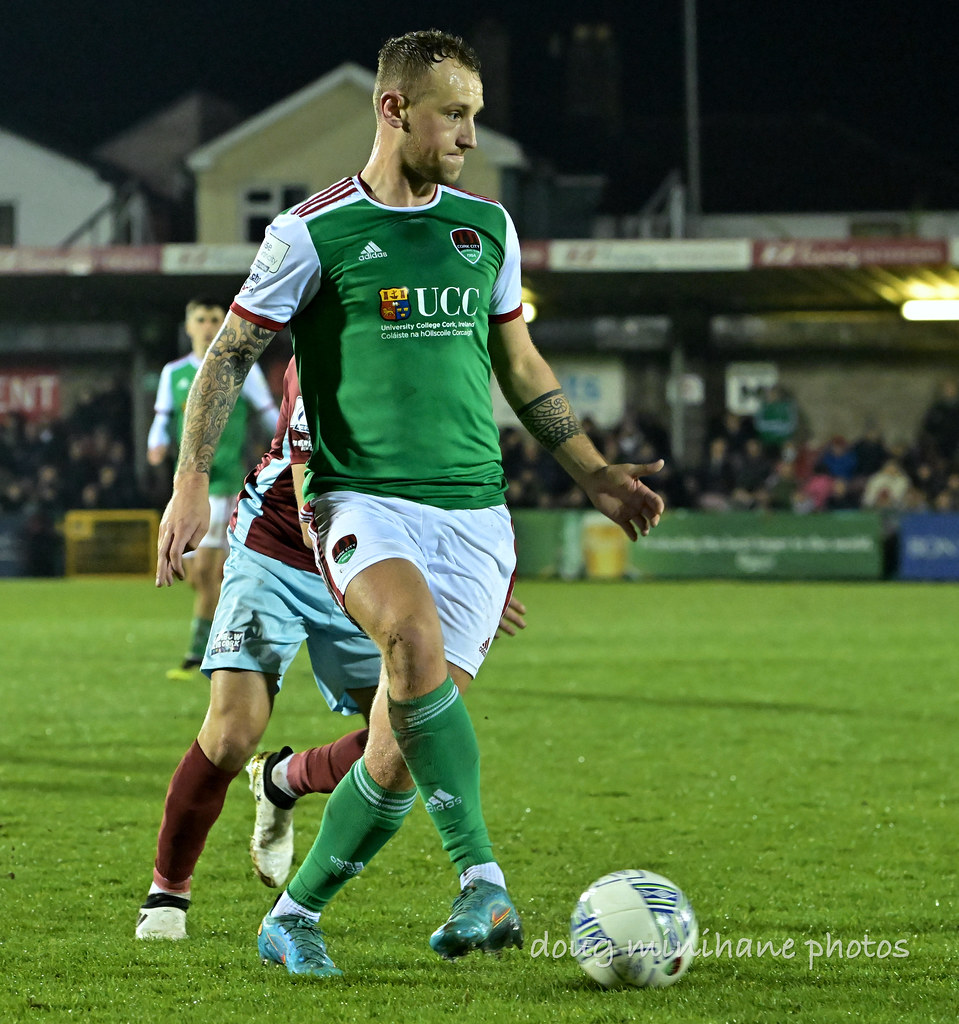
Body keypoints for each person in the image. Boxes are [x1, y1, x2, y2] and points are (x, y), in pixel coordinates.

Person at [155, 29, 664, 977]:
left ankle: (294, 914)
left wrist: (592, 473)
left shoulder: (488, 231)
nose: (470, 136)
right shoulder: (311, 231)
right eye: (455, 115)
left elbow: (519, 365)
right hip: (359, 498)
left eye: (474, 115)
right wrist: (191, 486)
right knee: (413, 641)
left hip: (474, 513)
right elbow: (228, 355)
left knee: (395, 748)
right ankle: (483, 881)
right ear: (394, 109)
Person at [137, 358, 528, 941]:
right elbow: (306, 490)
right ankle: (167, 893)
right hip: (280, 547)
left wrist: (480, 581)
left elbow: (458, 479)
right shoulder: (327, 350)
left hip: (370, 559)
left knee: (404, 742)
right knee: (231, 730)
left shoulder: (427, 356)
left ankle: (284, 778)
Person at [148, 297, 280, 679]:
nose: (208, 326)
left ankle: (200, 654)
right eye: (201, 319)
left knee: (210, 570)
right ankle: (241, 637)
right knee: (199, 574)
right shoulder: (173, 373)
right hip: (187, 486)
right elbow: (163, 416)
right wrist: (154, 443)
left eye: (215, 319)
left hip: (224, 483)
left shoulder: (241, 369)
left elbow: (269, 413)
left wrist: (289, 443)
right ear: (188, 326)